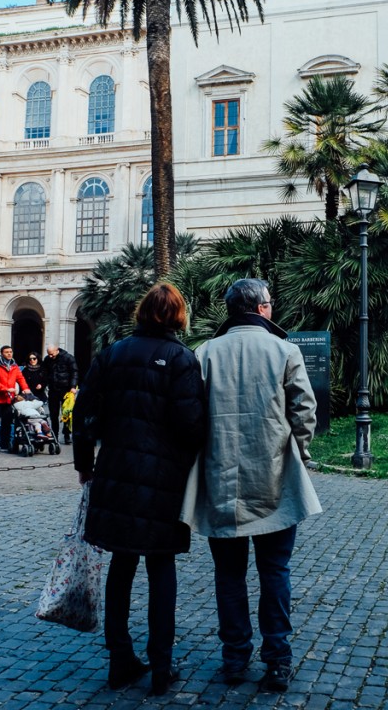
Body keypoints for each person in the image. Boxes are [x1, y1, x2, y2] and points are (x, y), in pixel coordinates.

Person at [181, 278, 320, 694]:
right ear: (261, 308)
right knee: (275, 570)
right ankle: (277, 660)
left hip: (220, 478)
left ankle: (234, 658)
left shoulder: (204, 352)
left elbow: (190, 416)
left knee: (229, 575)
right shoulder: (284, 350)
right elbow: (305, 410)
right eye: (271, 303)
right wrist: (301, 450)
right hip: (275, 476)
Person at [73, 283, 205, 696]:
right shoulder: (182, 358)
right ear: (179, 316)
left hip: (116, 470)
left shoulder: (112, 353)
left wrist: (84, 464)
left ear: (141, 312)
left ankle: (120, 659)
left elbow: (84, 411)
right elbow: (191, 424)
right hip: (164, 477)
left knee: (122, 564)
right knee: (161, 565)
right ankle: (162, 666)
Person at [0, 346, 32, 452]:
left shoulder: (14, 366)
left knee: (7, 422)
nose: (9, 354)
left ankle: (4, 444)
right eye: (7, 352)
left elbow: (20, 378)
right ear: (1, 353)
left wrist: (26, 389)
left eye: (11, 352)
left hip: (9, 399)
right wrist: (6, 389)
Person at [42, 344, 78, 444]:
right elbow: (45, 372)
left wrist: (73, 387)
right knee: (53, 415)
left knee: (66, 414)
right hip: (53, 390)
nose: (50, 356)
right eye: (48, 354)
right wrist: (43, 384)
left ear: (57, 350)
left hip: (66, 390)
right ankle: (55, 435)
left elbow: (74, 372)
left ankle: (67, 435)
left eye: (52, 354)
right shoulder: (47, 359)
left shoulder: (68, 358)